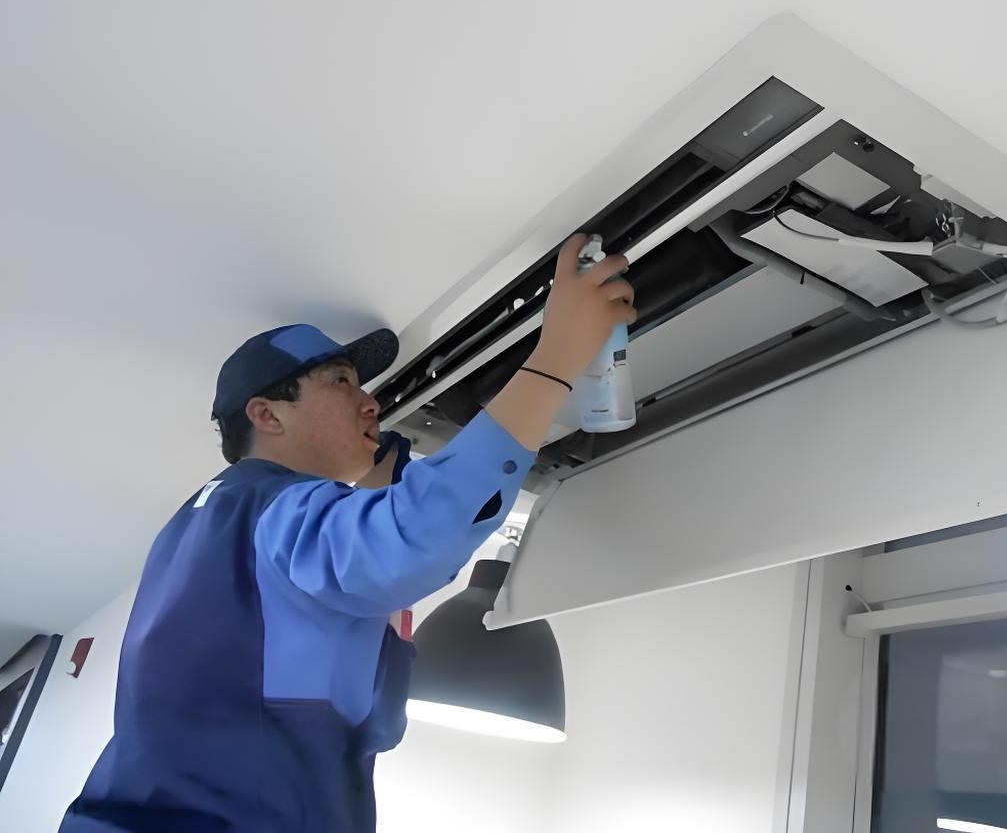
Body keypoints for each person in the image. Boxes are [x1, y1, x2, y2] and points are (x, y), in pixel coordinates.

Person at [59, 235, 634, 833]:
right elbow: (414, 536)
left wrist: (369, 502)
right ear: (267, 414)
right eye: (341, 381)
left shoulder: (200, 527)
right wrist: (554, 360)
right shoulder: (266, 506)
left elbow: (335, 688)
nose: (371, 403)